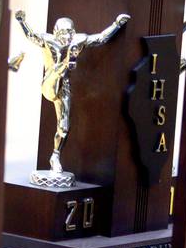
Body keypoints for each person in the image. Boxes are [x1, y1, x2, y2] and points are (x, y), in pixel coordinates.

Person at [13, 10, 129, 178]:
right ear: (55, 32)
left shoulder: (78, 40)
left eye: (69, 32)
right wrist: (22, 21)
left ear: (73, 32)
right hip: (50, 82)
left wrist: (117, 24)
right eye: (62, 32)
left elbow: (100, 38)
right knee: (61, 68)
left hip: (63, 87)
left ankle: (55, 156)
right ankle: (67, 63)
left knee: (64, 126)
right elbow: (31, 36)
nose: (65, 36)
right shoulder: (48, 40)